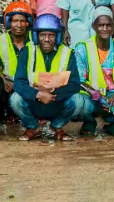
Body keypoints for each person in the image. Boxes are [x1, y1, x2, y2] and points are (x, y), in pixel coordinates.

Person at [9, 13, 79, 142]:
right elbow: (19, 83)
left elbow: (75, 84)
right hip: (34, 102)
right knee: (15, 99)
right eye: (43, 35)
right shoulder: (28, 51)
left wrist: (53, 93)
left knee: (78, 100)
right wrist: (38, 94)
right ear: (36, 36)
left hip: (57, 101)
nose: (47, 39)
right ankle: (33, 128)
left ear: (57, 37)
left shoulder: (68, 53)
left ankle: (57, 127)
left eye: (51, 35)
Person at [67, 8, 114, 136]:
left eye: (108, 25)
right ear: (94, 26)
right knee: (78, 101)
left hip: (113, 98)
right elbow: (80, 80)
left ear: (113, 26)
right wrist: (95, 93)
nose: (104, 29)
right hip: (91, 97)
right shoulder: (82, 48)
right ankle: (89, 122)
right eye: (100, 25)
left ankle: (113, 123)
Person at [0, 1, 34, 88]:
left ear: (27, 22)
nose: (19, 25)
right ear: (9, 22)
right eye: (15, 21)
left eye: (22, 21)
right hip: (8, 85)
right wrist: (4, 81)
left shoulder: (34, 39)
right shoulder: (1, 40)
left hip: (31, 86)